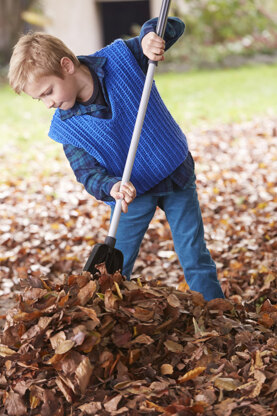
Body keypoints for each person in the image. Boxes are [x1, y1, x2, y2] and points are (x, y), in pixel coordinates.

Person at [8, 16, 224, 301]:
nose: (49, 103)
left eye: (48, 91)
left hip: (174, 170)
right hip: (129, 192)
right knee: (115, 266)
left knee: (194, 253)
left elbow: (173, 27)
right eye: (40, 99)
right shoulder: (66, 127)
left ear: (67, 66)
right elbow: (87, 172)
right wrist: (111, 187)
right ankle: (113, 319)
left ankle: (214, 311)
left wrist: (150, 38)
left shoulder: (121, 58)